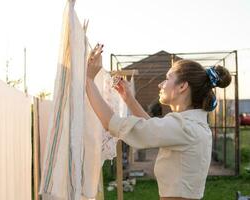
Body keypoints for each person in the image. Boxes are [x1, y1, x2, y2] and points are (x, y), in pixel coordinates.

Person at [86, 44, 231, 200]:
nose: (160, 84)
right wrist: (128, 98)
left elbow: (112, 123)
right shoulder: (190, 125)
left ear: (182, 86)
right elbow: (152, 128)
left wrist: (88, 80)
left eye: (168, 78)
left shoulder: (185, 127)